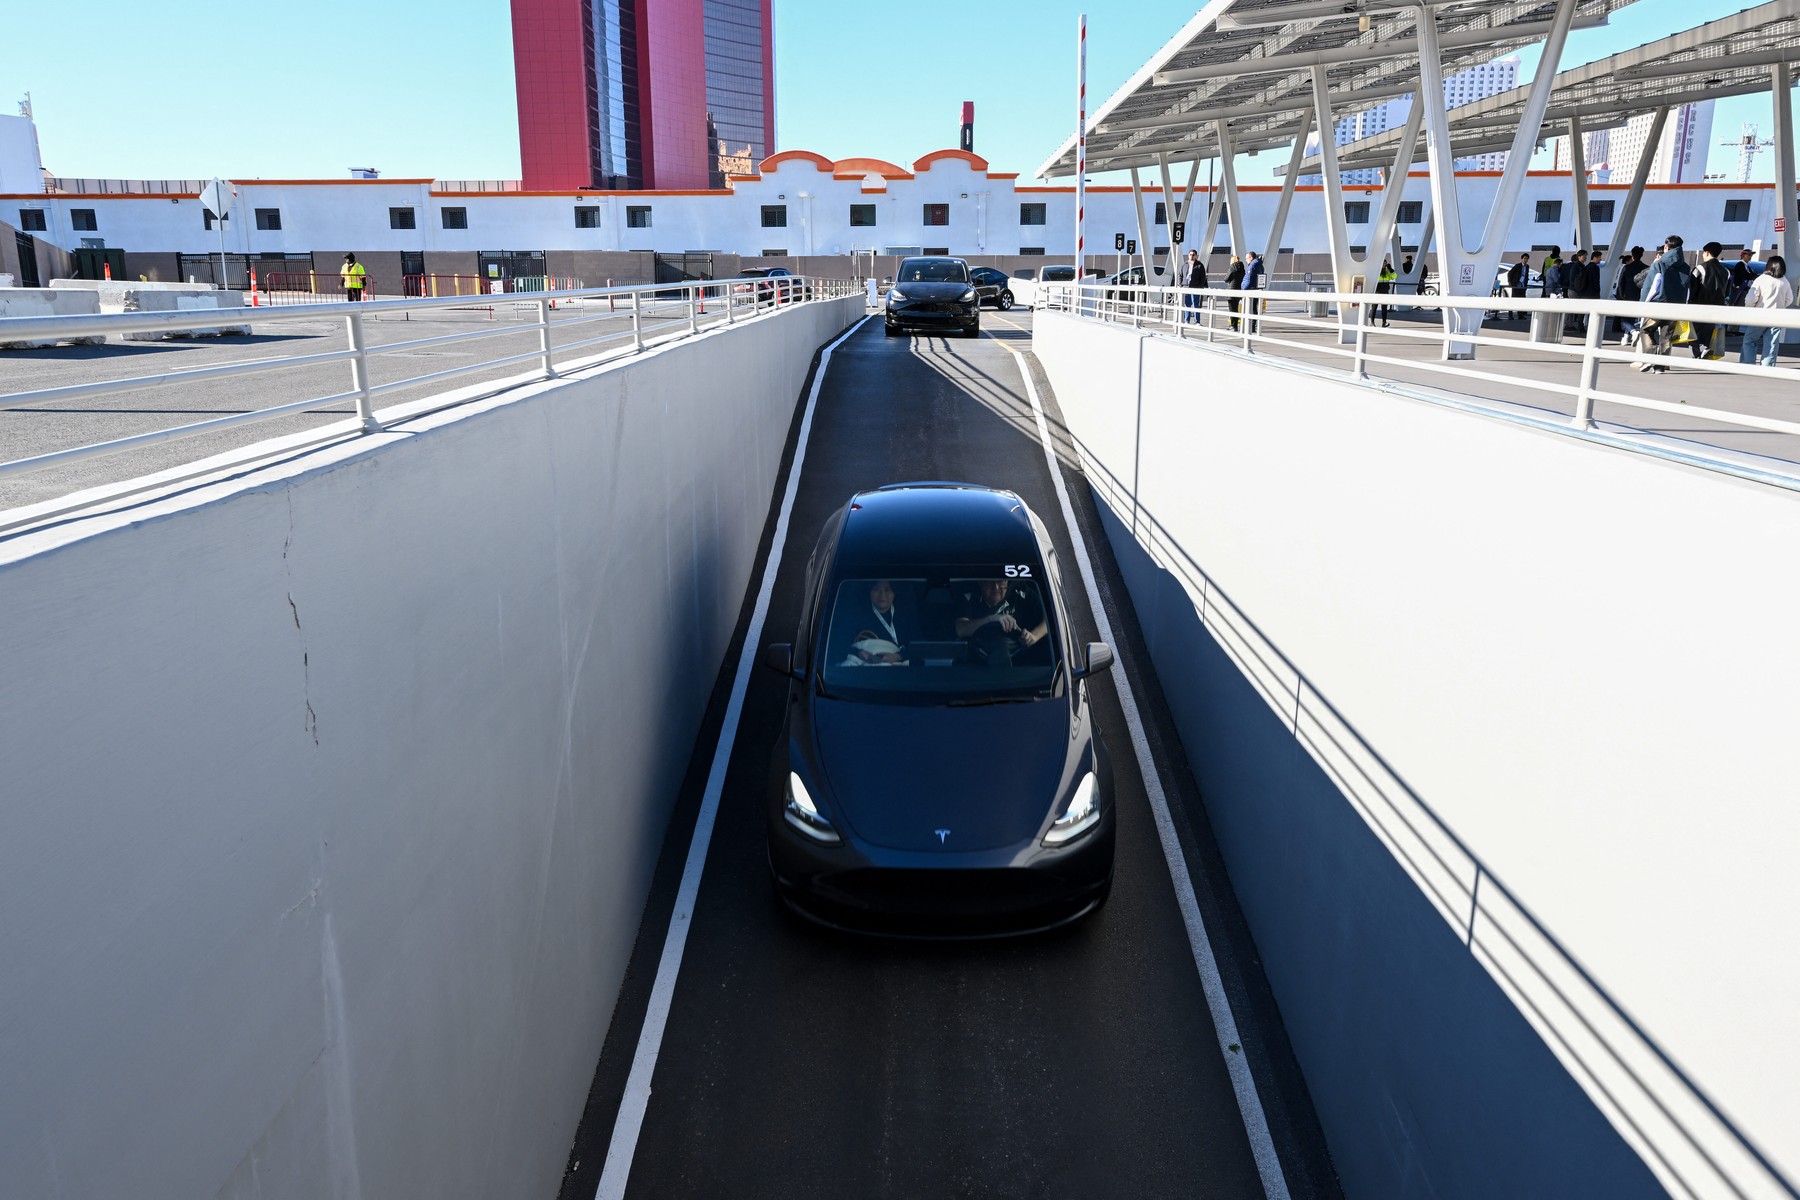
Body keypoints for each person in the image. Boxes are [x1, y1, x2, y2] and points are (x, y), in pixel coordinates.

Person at [955, 578, 1047, 668]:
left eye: (1000, 581)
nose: (996, 587)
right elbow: (962, 628)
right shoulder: (969, 595)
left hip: (1020, 666)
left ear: (1007, 581)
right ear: (980, 582)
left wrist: (1034, 636)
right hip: (975, 664)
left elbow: (1050, 616)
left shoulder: (1019, 590)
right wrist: (990, 619)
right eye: (990, 582)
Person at [1634, 236, 1689, 373]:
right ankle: (1660, 367)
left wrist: (1643, 304)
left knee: (1646, 330)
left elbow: (1651, 286)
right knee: (1666, 337)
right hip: (1676, 306)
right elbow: (1687, 289)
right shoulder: (1686, 267)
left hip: (1657, 304)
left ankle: (1651, 356)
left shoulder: (1659, 264)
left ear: (1666, 246)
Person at [837, 579, 915, 665]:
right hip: (864, 667)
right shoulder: (855, 615)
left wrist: (898, 656)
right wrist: (858, 652)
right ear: (869, 592)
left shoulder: (906, 616)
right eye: (876, 589)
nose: (882, 595)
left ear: (894, 593)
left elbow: (919, 649)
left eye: (887, 590)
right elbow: (839, 645)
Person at [1738, 255, 1792, 367]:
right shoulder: (1784, 281)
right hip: (1777, 317)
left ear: (1769, 266)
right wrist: (1780, 306)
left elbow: (1750, 299)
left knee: (1750, 340)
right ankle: (1768, 366)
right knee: (1771, 343)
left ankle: (1747, 364)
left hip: (1760, 315)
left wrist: (1750, 308)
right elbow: (1789, 299)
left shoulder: (1761, 279)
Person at [1688, 241, 1731, 360]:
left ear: (1707, 252)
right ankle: (1701, 353)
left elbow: (1692, 288)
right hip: (1717, 307)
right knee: (1708, 331)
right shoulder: (1725, 271)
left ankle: (1701, 350)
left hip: (1699, 305)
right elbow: (1727, 291)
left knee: (1691, 333)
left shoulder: (1700, 268)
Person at [1608, 246, 1647, 343]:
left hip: (1626, 295)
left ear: (1632, 255)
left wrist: (1620, 295)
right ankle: (1625, 337)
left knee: (1625, 318)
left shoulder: (1627, 267)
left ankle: (1633, 332)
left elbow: (1620, 282)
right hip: (1639, 295)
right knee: (1632, 317)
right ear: (1642, 255)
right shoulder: (1646, 268)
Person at [1241, 250, 1266, 334]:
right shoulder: (1260, 265)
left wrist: (1244, 289)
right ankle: (1253, 326)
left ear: (1251, 258)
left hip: (1250, 290)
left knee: (1250, 309)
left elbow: (1249, 279)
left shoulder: (1252, 266)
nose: (1246, 260)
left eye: (1247, 258)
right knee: (1254, 308)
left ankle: (1250, 326)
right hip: (1257, 289)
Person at [1181, 249, 1207, 324]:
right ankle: (1187, 320)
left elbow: (1203, 277)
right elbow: (1180, 274)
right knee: (1187, 304)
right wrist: (1180, 284)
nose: (1191, 256)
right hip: (1186, 286)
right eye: (1190, 254)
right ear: (1188, 255)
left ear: (1196, 256)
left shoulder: (1199, 265)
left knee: (1195, 304)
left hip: (1195, 287)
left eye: (1193, 255)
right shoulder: (1185, 264)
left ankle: (1197, 321)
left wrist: (1200, 286)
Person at [1224, 254, 1245, 330]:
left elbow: (1226, 279)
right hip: (1238, 290)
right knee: (1236, 309)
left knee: (1232, 309)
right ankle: (1235, 325)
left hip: (1231, 290)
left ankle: (1233, 326)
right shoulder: (1242, 268)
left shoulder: (1232, 267)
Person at [1507, 254, 1530, 319]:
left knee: (1521, 300)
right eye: (1525, 258)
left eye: (1527, 259)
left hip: (1522, 286)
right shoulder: (1518, 266)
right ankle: (1510, 315)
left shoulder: (1527, 266)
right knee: (1513, 300)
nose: (1526, 260)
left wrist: (1526, 284)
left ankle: (1520, 315)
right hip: (1516, 285)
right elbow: (1510, 273)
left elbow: (1526, 276)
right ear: (1522, 259)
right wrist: (1510, 282)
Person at [1375, 257, 1396, 327]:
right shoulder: (1377, 270)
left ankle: (1384, 322)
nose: (1384, 264)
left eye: (1385, 263)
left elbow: (1394, 277)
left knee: (1384, 308)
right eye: (1383, 263)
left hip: (1385, 291)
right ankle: (1372, 322)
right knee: (1374, 307)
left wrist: (1391, 269)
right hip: (1377, 291)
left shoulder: (1387, 271)